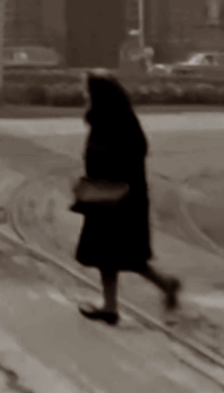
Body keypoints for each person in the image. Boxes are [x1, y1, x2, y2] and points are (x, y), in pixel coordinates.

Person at [73, 71, 181, 324]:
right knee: (114, 255)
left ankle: (159, 287)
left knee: (119, 254)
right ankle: (116, 304)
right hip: (114, 196)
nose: (84, 95)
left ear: (98, 93)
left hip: (117, 198)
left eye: (87, 91)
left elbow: (127, 154)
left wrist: (101, 171)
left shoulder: (113, 118)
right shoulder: (112, 116)